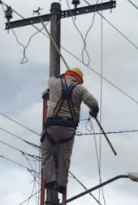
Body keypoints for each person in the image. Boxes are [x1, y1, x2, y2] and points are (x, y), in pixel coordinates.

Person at [39, 66, 99, 194]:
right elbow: (93, 103)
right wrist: (94, 111)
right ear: (78, 79)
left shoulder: (54, 83)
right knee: (64, 157)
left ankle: (49, 181)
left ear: (67, 74)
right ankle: (61, 184)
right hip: (68, 130)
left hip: (52, 128)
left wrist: (62, 76)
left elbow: (53, 78)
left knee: (46, 153)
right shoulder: (80, 89)